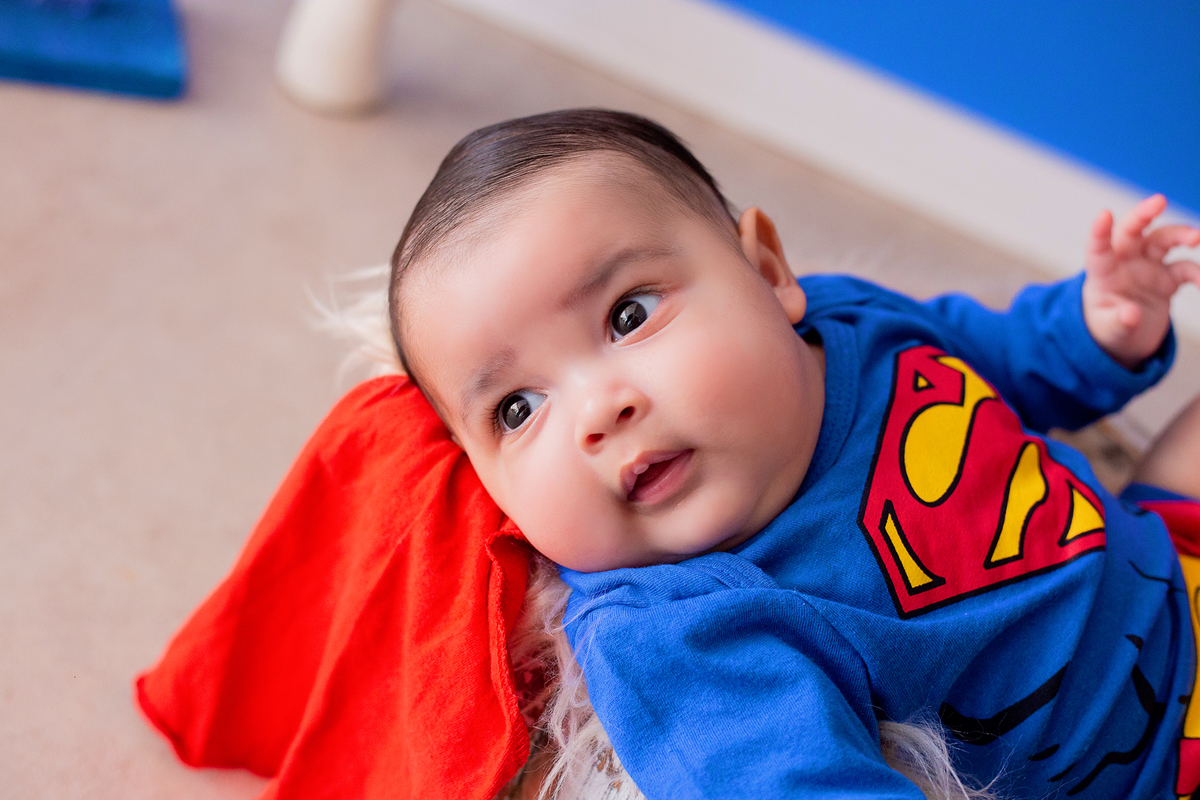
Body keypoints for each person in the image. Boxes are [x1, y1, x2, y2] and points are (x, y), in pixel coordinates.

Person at [385, 108, 1200, 799]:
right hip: (1152, 769)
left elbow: (1005, 352)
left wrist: (1099, 329)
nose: (599, 413)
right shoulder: (677, 631)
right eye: (517, 409)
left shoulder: (853, 322)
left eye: (628, 316)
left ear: (768, 272)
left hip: (1165, 556)